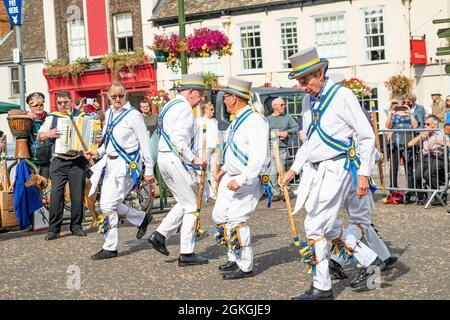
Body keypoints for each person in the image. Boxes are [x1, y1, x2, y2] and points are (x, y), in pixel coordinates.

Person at [279, 47, 382, 300]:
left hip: (338, 167)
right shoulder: (307, 101)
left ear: (320, 72)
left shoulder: (342, 95)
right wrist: (292, 170)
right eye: (298, 81)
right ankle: (369, 259)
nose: (302, 86)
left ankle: (322, 288)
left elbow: (366, 137)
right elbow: (309, 142)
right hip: (316, 170)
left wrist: (363, 174)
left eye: (305, 79)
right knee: (329, 226)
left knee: (313, 226)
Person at [85, 81, 155, 260]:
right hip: (109, 164)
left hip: (126, 166)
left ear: (126, 96)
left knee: (107, 205)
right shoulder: (108, 114)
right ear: (109, 97)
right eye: (114, 96)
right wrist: (97, 152)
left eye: (120, 96)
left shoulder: (134, 115)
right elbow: (108, 142)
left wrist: (149, 169)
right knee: (111, 203)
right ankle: (141, 218)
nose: (117, 99)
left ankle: (110, 246)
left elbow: (145, 144)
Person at [212, 77, 270, 280]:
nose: (223, 100)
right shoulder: (236, 120)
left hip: (248, 179)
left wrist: (243, 179)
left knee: (237, 219)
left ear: (234, 99)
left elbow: (258, 156)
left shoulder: (255, 120)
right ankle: (234, 257)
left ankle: (245, 265)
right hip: (231, 175)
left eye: (225, 96)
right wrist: (224, 169)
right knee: (220, 216)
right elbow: (235, 151)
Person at [148, 74, 208, 267]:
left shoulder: (169, 105)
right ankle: (187, 253)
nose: (201, 99)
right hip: (175, 159)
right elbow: (178, 139)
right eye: (199, 94)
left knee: (184, 202)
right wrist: (194, 159)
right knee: (191, 206)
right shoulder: (184, 109)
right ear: (190, 92)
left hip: (164, 158)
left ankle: (160, 234)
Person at [37, 91, 89, 240]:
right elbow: (39, 136)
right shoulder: (52, 117)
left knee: (77, 195)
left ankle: (76, 226)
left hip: (77, 161)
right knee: (56, 195)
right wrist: (49, 134)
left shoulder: (81, 116)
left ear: (71, 101)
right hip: (59, 161)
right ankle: (53, 229)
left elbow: (92, 135)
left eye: (65, 102)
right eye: (59, 103)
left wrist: (96, 137)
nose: (62, 105)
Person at [408, 115, 447, 206]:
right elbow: (410, 144)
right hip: (424, 157)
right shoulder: (424, 134)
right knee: (416, 175)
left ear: (435, 125)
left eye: (428, 124)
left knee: (428, 174)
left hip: (437, 157)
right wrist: (422, 135)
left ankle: (438, 195)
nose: (425, 126)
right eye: (424, 124)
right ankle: (421, 197)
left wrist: (437, 142)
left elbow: (449, 142)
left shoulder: (441, 133)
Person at [385, 98, 418, 203]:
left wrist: (410, 113)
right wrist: (391, 113)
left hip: (407, 143)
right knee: (393, 168)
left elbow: (415, 126)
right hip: (395, 142)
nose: (405, 105)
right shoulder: (394, 115)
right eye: (403, 103)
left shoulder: (411, 114)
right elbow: (387, 126)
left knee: (409, 168)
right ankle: (393, 189)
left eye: (407, 103)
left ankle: (411, 191)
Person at [267, 97, 299, 201]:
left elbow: (296, 127)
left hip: (282, 148)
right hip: (270, 148)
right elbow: (263, 133)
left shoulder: (287, 117)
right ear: (275, 106)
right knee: (272, 172)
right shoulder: (268, 120)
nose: (284, 106)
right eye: (281, 105)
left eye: (284, 105)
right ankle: (275, 193)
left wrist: (287, 132)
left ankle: (284, 191)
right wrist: (275, 134)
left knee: (282, 171)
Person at [194, 102, 220, 199]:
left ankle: (214, 192)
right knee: (203, 170)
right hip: (204, 147)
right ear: (206, 110)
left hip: (215, 147)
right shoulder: (199, 121)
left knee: (214, 170)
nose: (213, 112)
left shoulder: (215, 121)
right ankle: (204, 191)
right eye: (211, 109)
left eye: (213, 109)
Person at [26, 92, 52, 178]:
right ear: (30, 107)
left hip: (48, 162)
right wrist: (25, 113)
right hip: (31, 162)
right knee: (33, 189)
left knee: (47, 188)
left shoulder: (50, 118)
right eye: (36, 105)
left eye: (41, 105)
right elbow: (12, 112)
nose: (39, 107)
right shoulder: (26, 118)